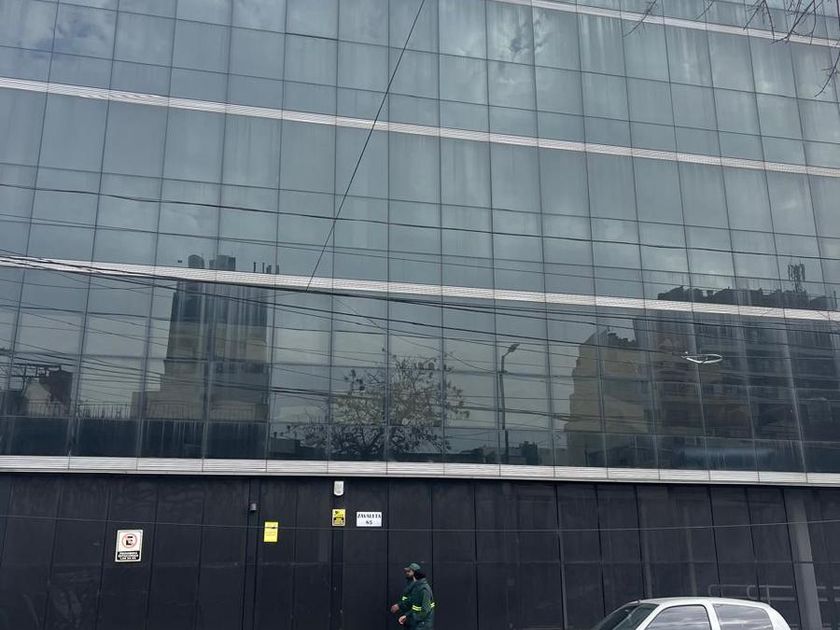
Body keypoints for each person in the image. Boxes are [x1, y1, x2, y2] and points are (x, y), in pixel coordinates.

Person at [396, 563, 435, 630]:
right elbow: (415, 606)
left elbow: (425, 610)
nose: (407, 573)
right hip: (416, 623)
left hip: (422, 625)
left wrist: (410, 617)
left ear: (415, 575)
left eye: (409, 571)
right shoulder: (418, 587)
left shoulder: (424, 589)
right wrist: (406, 615)